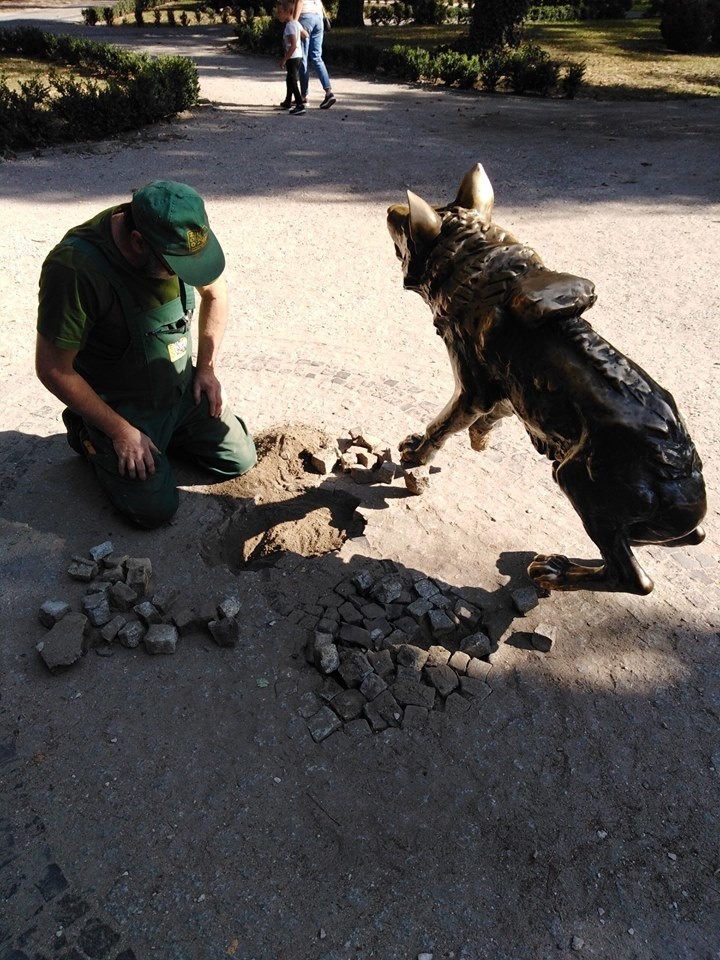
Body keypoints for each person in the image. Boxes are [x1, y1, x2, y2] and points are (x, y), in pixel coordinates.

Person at [35, 180, 257, 528]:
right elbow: (53, 370)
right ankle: (88, 436)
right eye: (176, 267)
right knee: (155, 510)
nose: (184, 275)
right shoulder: (75, 270)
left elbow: (216, 291)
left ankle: (168, 436)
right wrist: (121, 431)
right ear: (138, 242)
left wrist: (207, 370)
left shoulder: (180, 232)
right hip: (122, 405)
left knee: (239, 458)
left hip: (178, 388)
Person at [293, 0, 336, 109]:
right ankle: (329, 92)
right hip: (318, 18)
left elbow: (300, 1)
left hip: (305, 17)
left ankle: (303, 96)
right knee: (317, 57)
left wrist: (294, 22)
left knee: (303, 58)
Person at [276, 0, 306, 115]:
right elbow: (305, 35)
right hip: (298, 56)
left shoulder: (289, 26)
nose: (278, 14)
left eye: (280, 12)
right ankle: (288, 101)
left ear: (288, 12)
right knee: (290, 79)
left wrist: (284, 59)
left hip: (292, 57)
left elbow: (293, 45)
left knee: (293, 80)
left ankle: (299, 104)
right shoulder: (296, 23)